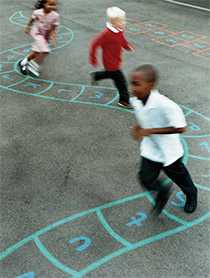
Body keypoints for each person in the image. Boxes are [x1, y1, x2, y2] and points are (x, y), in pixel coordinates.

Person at [129, 64, 197, 214]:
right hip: (151, 149)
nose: (132, 87)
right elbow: (144, 117)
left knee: (181, 179)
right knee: (145, 178)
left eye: (136, 84)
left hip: (169, 151)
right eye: (131, 83)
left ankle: (192, 194)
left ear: (150, 85)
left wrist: (151, 130)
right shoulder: (135, 101)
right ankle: (162, 192)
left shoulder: (166, 105)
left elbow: (181, 127)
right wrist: (137, 127)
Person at [89, 6, 134, 108]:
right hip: (110, 62)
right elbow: (94, 44)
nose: (124, 23)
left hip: (116, 60)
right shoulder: (106, 34)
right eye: (121, 21)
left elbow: (122, 40)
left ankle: (96, 76)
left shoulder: (119, 30)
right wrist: (93, 58)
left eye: (124, 20)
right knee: (121, 82)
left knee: (110, 74)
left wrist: (127, 47)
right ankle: (123, 101)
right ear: (113, 22)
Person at [18, 0, 59, 77]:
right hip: (37, 32)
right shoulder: (37, 12)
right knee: (45, 51)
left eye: (54, 5)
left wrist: (53, 38)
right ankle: (34, 67)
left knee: (36, 52)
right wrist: (28, 27)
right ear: (44, 4)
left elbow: (53, 28)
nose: (52, 6)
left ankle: (23, 62)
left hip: (45, 35)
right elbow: (31, 20)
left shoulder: (55, 15)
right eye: (50, 4)